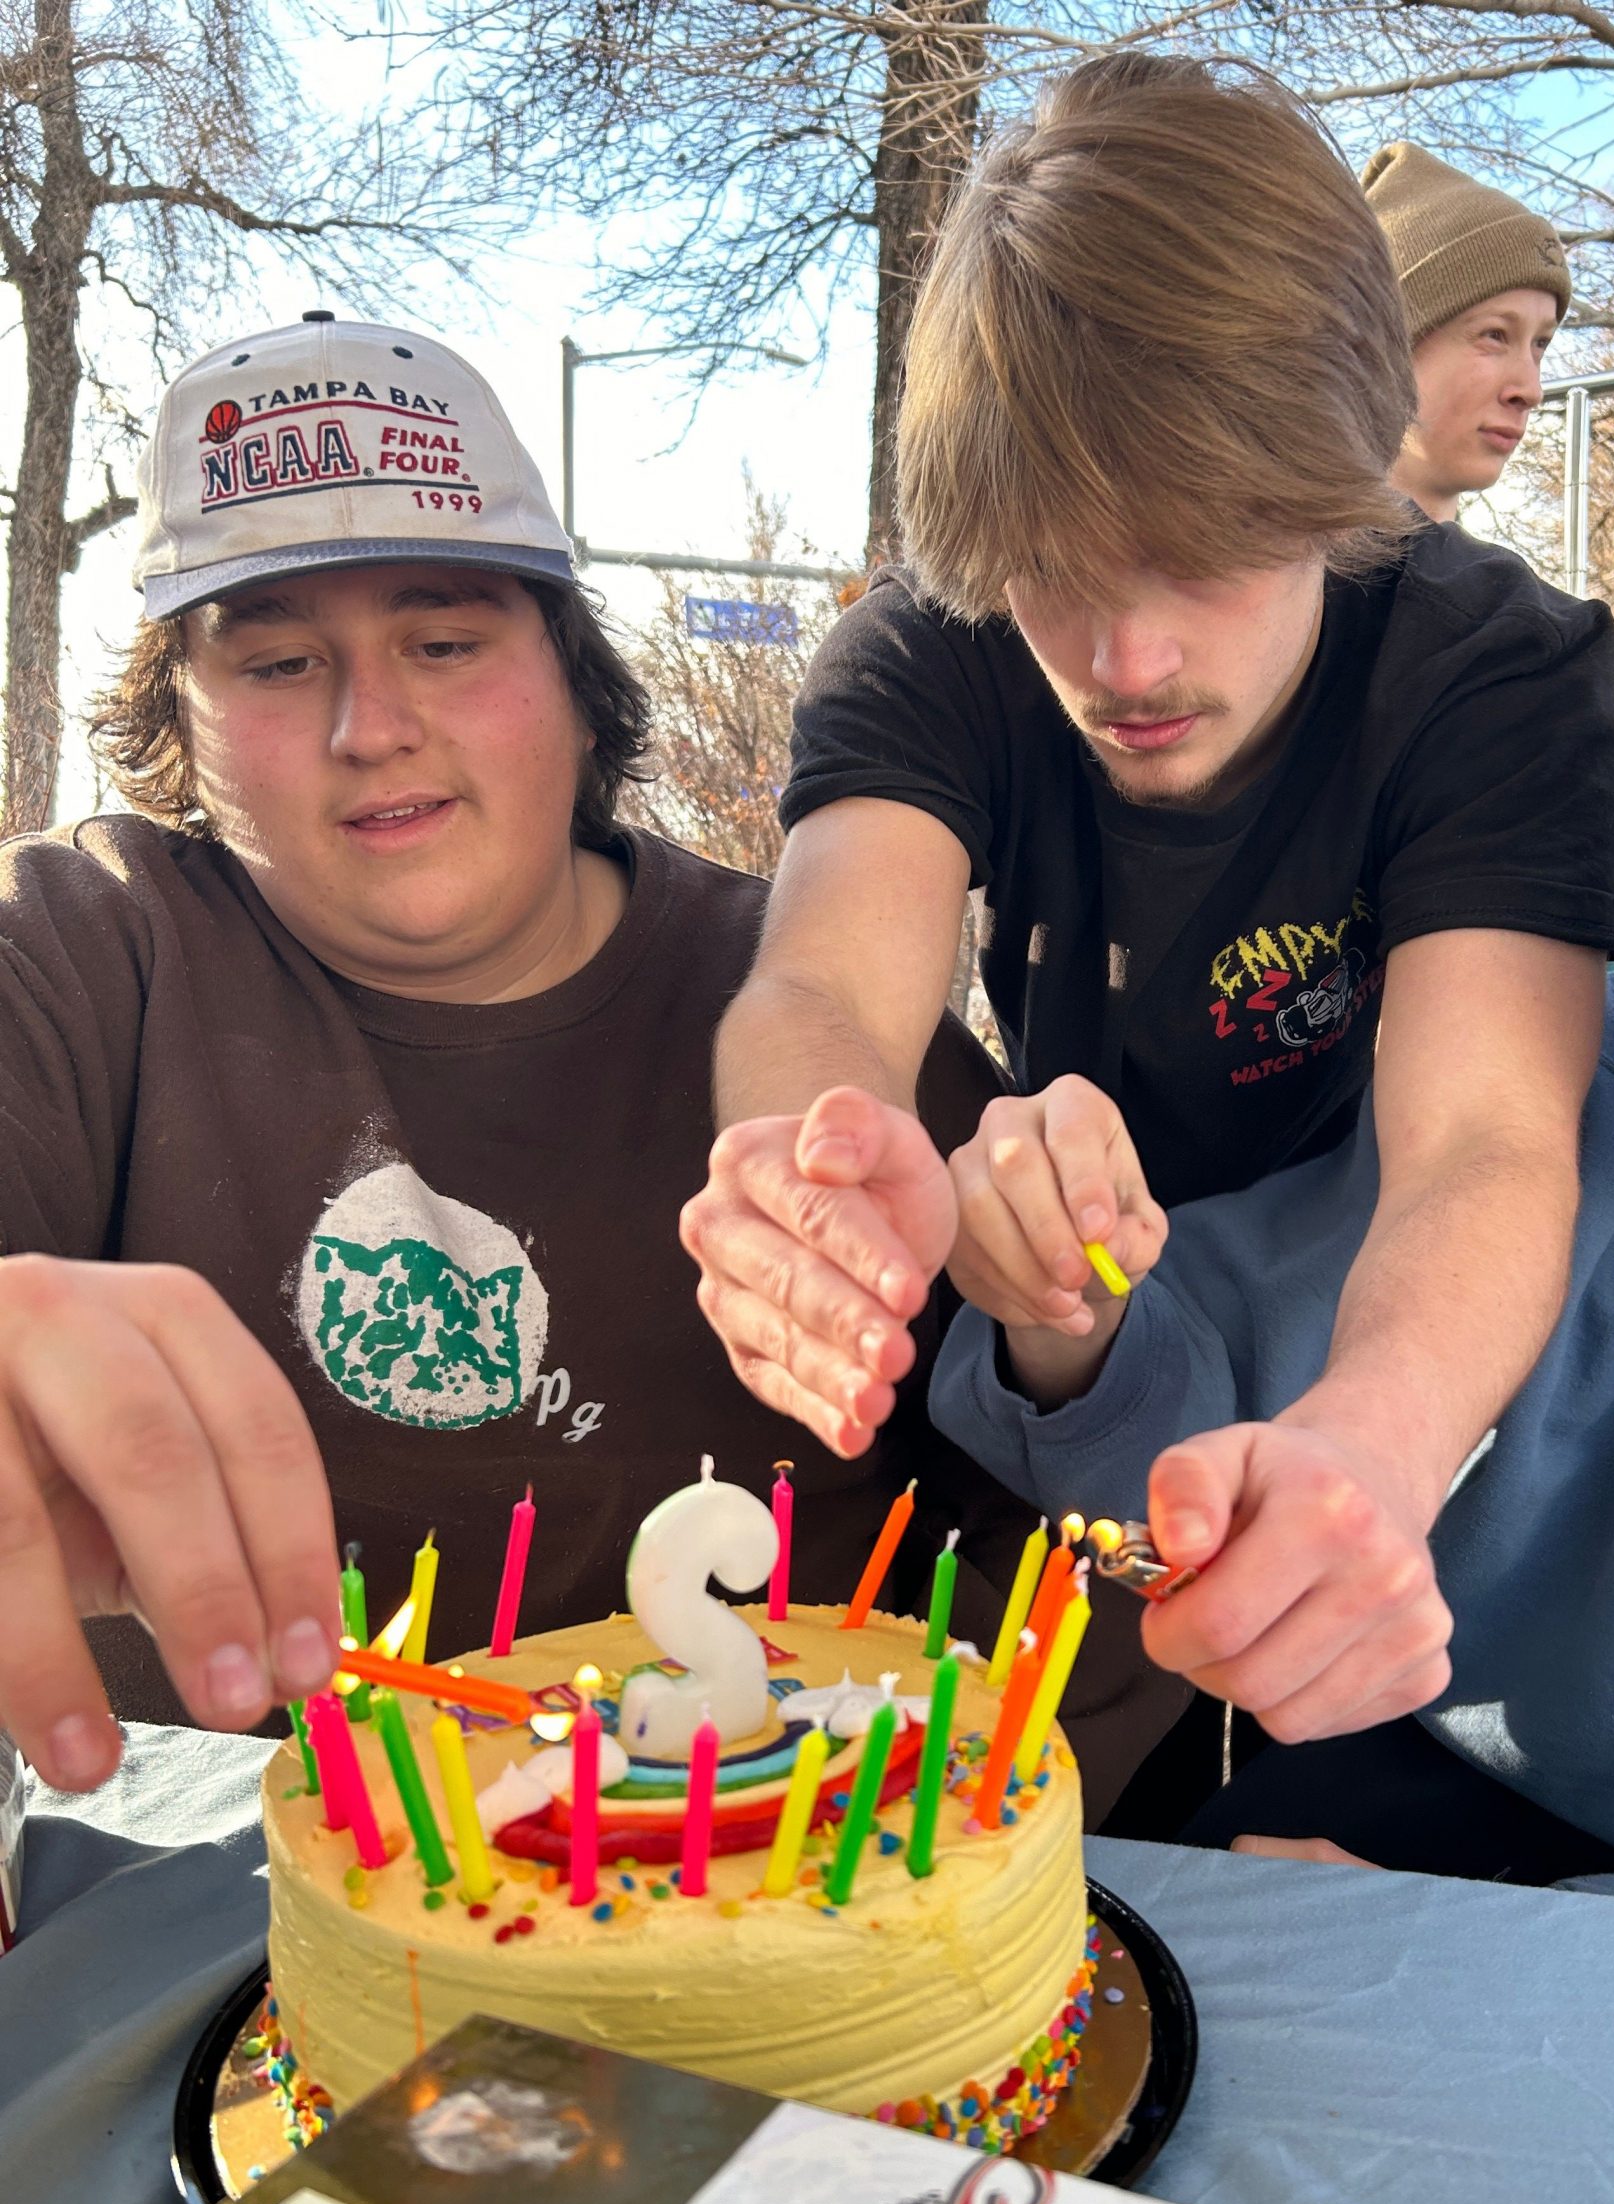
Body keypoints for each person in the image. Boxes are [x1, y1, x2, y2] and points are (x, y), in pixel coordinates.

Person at [682, 49, 1614, 1758]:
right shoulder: (928, 645)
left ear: (1342, 471)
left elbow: (1486, 1141)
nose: (1126, 663)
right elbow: (822, 987)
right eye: (1054, 570)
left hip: (1400, 1312)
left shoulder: (1496, 671)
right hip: (1075, 1338)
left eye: (1205, 554)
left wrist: (1374, 1443)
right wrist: (811, 1170)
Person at [0, 312, 1034, 1801]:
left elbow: (1050, 1527)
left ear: (573, 675)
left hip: (777, 1884)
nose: (372, 726)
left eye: (445, 642)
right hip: (184, 1892)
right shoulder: (82, 950)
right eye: (278, 662)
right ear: (180, 718)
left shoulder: (822, 1016)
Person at [930, 518, 1614, 1928]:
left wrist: (1545, 1947)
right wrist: (1068, 1306)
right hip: (1430, 1813)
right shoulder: (1587, 1103)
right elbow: (1194, 1406)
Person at [1360, 143, 1570, 524]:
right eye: (1495, 335)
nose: (1531, 391)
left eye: (1540, 344)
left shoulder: (1501, 573)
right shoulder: (1260, 555)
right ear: (1387, 348)